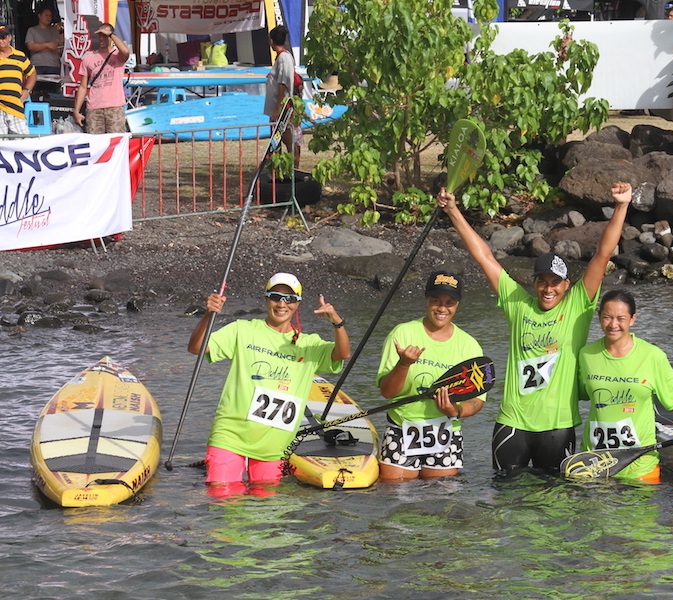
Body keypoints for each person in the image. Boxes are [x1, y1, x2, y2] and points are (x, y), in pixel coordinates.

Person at [438, 182, 632, 476]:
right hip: (512, 425)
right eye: (542, 281)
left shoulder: (578, 305)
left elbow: (602, 255)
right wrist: (452, 210)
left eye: (555, 282)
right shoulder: (518, 303)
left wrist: (621, 206)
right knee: (505, 503)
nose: (548, 288)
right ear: (534, 282)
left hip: (557, 429)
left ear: (567, 285)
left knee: (553, 507)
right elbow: (484, 257)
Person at [187, 273, 350, 495]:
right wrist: (209, 314)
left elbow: (343, 353)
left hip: (273, 446)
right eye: (275, 297)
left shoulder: (308, 344)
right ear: (266, 299)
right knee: (223, 502)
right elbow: (197, 348)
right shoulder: (242, 330)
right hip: (230, 435)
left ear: (297, 304)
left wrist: (337, 322)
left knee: (265, 513)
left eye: (289, 299)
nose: (282, 304)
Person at [577, 289, 673, 483]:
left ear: (632, 319)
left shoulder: (652, 356)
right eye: (607, 317)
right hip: (596, 464)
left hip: (640, 466)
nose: (613, 324)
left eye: (621, 318)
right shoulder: (586, 355)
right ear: (599, 317)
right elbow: (579, 393)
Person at [376, 271, 486, 480]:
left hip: (446, 431)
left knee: (441, 500)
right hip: (402, 426)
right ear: (426, 299)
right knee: (393, 493)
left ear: (458, 304)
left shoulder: (470, 346)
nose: (442, 308)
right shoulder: (402, 334)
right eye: (436, 301)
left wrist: (455, 410)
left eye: (449, 302)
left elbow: (477, 400)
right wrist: (403, 364)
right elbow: (387, 393)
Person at [72, 22, 129, 134]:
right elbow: (83, 87)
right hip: (94, 107)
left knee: (115, 142)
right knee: (95, 144)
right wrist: (76, 111)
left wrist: (111, 34)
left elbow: (126, 51)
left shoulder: (118, 55)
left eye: (105, 35)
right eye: (100, 35)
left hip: (114, 106)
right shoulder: (88, 58)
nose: (102, 38)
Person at [265, 25, 301, 166]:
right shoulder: (280, 58)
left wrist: (278, 109)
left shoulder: (284, 58)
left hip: (282, 106)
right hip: (278, 105)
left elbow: (283, 84)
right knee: (277, 138)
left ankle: (293, 166)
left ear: (271, 41)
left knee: (286, 137)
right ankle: (279, 166)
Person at [0, 22, 36, 136]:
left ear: (9, 38)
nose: (1, 40)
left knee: (23, 143)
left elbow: (32, 74)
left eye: (3, 37)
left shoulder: (20, 56)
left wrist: (27, 90)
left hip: (16, 107)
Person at [25, 6, 62, 76]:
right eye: (46, 15)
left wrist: (37, 47)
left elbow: (53, 46)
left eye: (50, 16)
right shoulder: (32, 30)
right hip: (36, 64)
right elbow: (30, 47)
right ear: (39, 16)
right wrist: (47, 45)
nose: (48, 18)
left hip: (53, 65)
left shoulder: (54, 30)